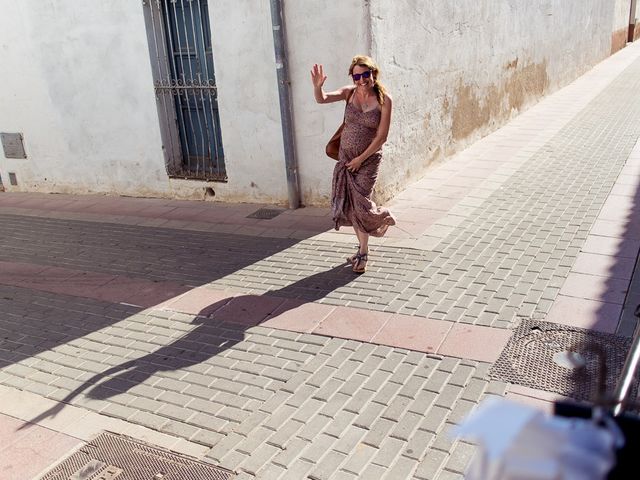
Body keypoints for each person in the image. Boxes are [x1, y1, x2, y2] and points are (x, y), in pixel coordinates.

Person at [311, 55, 396, 273]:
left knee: (361, 202)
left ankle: (379, 220)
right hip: (346, 158)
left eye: (365, 74)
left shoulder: (385, 100)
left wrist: (361, 159)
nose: (361, 80)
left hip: (369, 159)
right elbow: (322, 99)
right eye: (356, 75)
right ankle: (362, 249)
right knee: (352, 204)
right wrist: (317, 87)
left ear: (373, 74)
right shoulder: (348, 93)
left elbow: (382, 137)